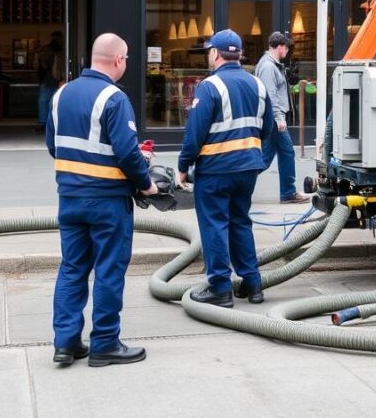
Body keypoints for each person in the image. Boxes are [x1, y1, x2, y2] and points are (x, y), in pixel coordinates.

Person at [47, 33, 158, 367]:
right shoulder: (114, 98)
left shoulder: (61, 94)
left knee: (72, 268)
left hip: (69, 197)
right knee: (109, 270)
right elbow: (125, 152)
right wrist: (146, 183)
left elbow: (54, 146)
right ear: (118, 60)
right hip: (108, 202)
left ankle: (66, 345)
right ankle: (105, 344)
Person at [178, 29, 275, 308]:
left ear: (216, 54)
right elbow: (268, 128)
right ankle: (253, 284)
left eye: (210, 51)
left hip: (216, 169)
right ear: (239, 55)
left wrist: (183, 166)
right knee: (240, 221)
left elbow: (194, 133)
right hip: (247, 168)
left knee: (214, 225)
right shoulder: (258, 85)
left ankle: (220, 288)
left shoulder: (210, 86)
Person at [256, 32, 308, 203]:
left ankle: (233, 183)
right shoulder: (269, 67)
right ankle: (288, 193)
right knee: (285, 153)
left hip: (271, 118)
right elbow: (270, 95)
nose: (287, 51)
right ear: (279, 47)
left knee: (265, 158)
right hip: (273, 119)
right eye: (286, 48)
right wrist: (279, 117)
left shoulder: (271, 65)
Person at [35, 31, 65, 134]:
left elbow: (41, 65)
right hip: (57, 80)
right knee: (55, 103)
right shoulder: (63, 51)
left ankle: (44, 123)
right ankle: (52, 123)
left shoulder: (46, 50)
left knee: (43, 102)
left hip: (48, 80)